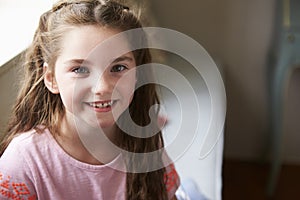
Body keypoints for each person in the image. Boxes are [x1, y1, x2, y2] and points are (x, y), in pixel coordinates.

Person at [0, 0, 180, 199]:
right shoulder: (22, 162)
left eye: (118, 68)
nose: (102, 87)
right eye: (80, 69)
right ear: (51, 78)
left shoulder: (143, 139)